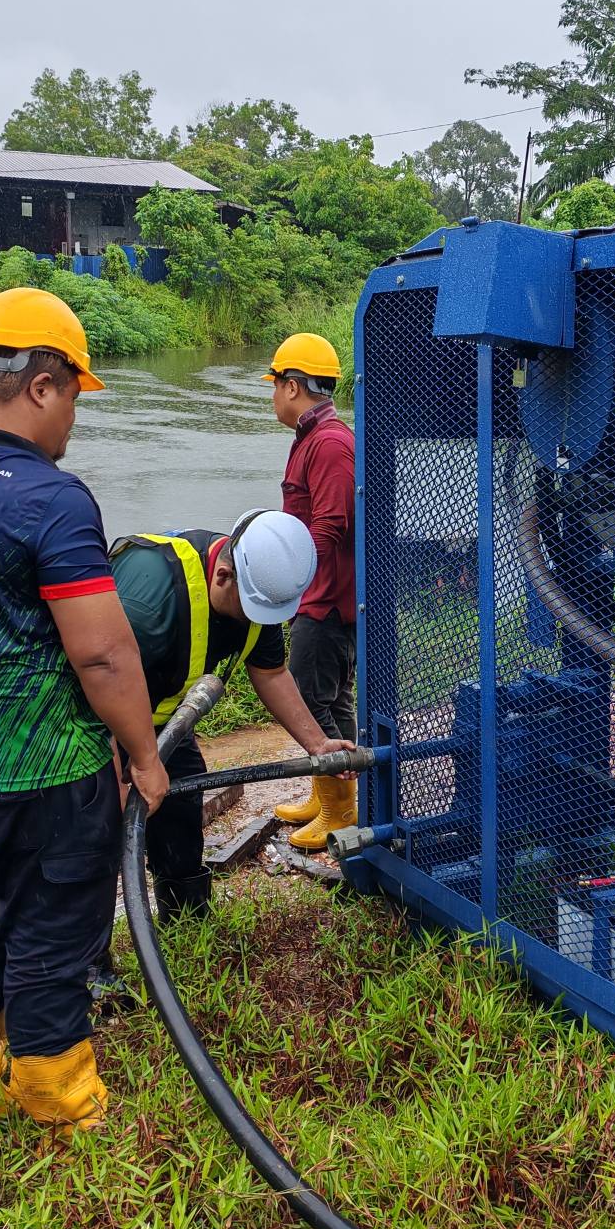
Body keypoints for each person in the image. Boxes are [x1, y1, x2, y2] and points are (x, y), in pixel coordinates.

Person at [0, 287, 166, 1132]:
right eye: (76, 396)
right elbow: (103, 651)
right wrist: (146, 757)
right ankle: (58, 1105)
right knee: (53, 934)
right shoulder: (50, 498)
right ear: (43, 384)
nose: (74, 420)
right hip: (47, 769)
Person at [106, 507, 349, 914]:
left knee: (183, 799)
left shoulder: (258, 583)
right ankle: (89, 961)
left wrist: (318, 744)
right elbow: (97, 692)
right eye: (254, 609)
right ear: (223, 575)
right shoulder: (150, 602)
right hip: (90, 717)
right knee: (94, 830)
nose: (261, 621)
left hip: (162, 717)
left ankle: (185, 914)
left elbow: (270, 673)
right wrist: (117, 784)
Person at [264, 333, 357, 851]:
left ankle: (341, 809)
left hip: (326, 598)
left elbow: (331, 525)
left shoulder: (328, 443)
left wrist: (290, 576)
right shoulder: (313, 436)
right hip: (317, 594)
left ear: (294, 385)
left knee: (308, 693)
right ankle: (328, 795)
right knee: (331, 694)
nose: (272, 395)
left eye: (275, 385)